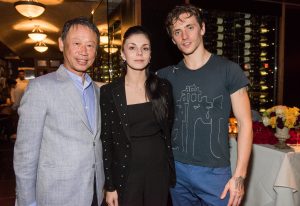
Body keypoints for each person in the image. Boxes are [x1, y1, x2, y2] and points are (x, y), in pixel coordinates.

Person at [157, 4, 253, 206]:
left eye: (190, 27)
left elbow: (245, 123)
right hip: (177, 171)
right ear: (173, 39)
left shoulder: (229, 70)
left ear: (202, 28)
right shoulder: (166, 76)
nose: (184, 36)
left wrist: (239, 176)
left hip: (215, 173)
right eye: (177, 31)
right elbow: (133, 84)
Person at [14, 17, 104, 206]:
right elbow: (25, 155)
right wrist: (28, 202)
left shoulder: (98, 91)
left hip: (95, 192)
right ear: (62, 44)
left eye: (90, 45)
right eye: (77, 43)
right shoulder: (40, 88)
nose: (84, 52)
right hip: (57, 196)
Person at [100, 26, 175, 206]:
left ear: (150, 54)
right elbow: (107, 140)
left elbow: (169, 128)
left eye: (145, 48)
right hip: (126, 173)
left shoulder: (164, 87)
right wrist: (110, 186)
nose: (139, 53)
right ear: (123, 54)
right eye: (132, 47)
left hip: (158, 171)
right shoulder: (109, 92)